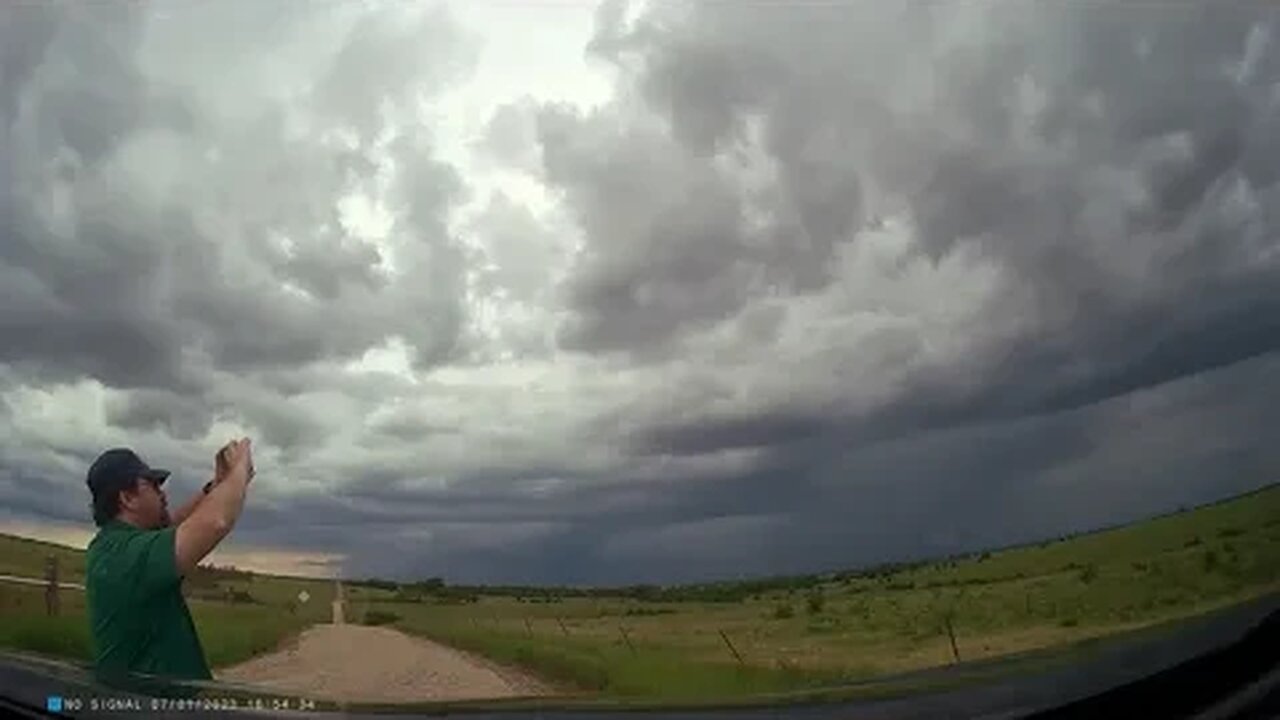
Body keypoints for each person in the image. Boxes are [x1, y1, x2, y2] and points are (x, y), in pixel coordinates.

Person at [84, 438, 256, 690]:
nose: (163, 494)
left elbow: (175, 525)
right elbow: (215, 521)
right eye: (153, 485)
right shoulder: (126, 555)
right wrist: (241, 467)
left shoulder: (114, 546)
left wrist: (218, 484)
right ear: (128, 498)